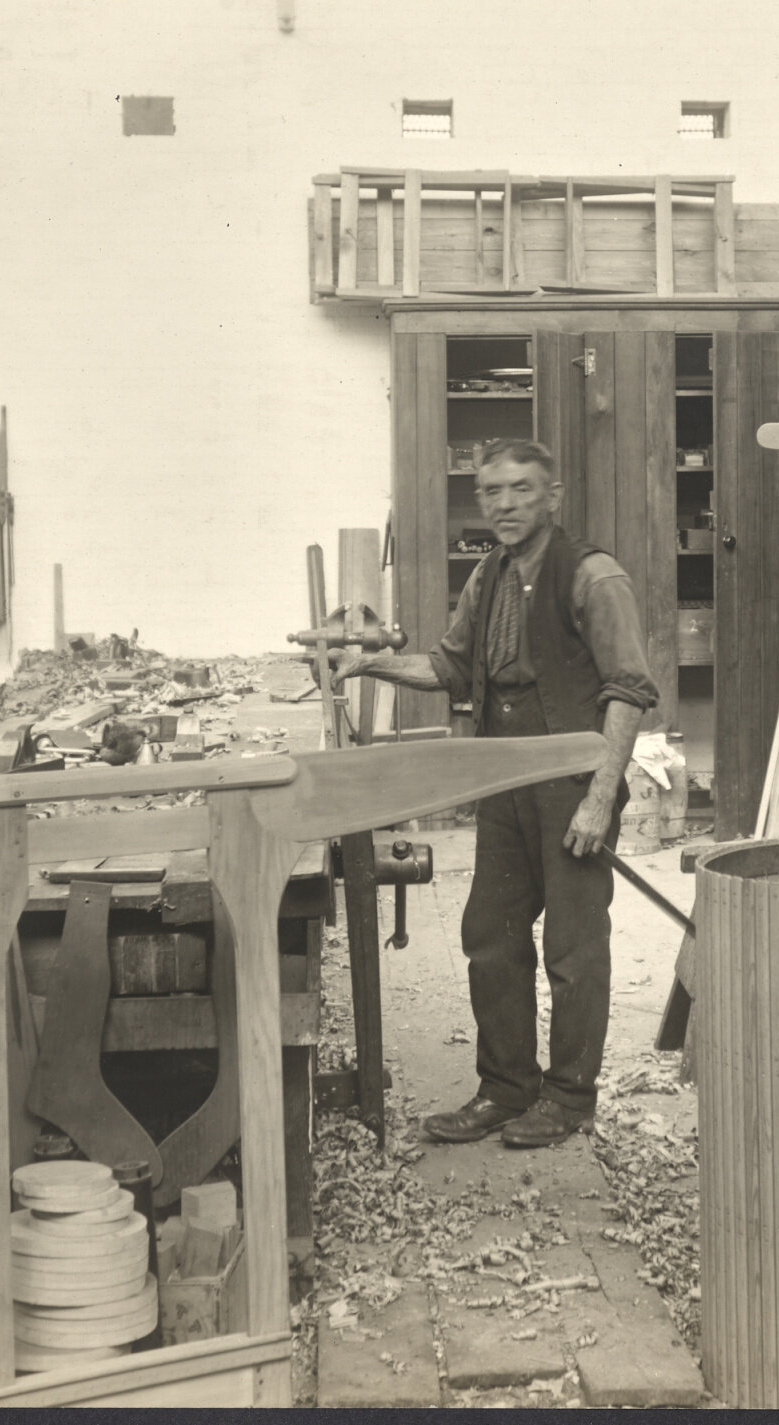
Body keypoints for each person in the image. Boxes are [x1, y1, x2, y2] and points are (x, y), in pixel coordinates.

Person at [334, 438, 656, 1148]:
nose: (504, 505)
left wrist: (600, 798)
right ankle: (507, 1088)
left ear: (552, 496)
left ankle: (570, 1098)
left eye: (519, 490)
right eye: (491, 493)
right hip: (504, 779)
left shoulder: (593, 577)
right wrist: (369, 664)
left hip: (571, 779)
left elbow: (629, 692)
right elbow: (448, 666)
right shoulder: (489, 576)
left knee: (575, 950)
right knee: (490, 935)